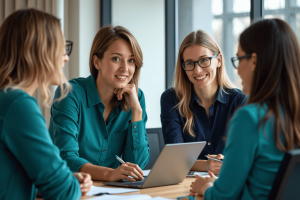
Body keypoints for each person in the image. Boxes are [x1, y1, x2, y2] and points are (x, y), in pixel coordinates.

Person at [190, 18, 300, 199]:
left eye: (239, 59)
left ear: (254, 61)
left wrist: (206, 187)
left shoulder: (250, 118)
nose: (238, 70)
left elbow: (224, 196)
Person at [0, 9, 92, 200]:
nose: (66, 57)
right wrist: (69, 182)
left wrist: (65, 179)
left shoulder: (6, 99)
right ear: (38, 50)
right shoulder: (18, 105)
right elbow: (63, 192)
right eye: (61, 48)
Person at [49, 25, 149, 182]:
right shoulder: (69, 93)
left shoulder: (136, 97)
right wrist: (109, 174)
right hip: (74, 188)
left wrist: (137, 112)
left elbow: (137, 166)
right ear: (97, 62)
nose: (125, 68)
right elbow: (66, 157)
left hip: (113, 192)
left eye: (131, 60)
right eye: (116, 58)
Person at [160, 30, 247, 174]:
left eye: (204, 60)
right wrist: (207, 165)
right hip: (185, 186)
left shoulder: (239, 101)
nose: (197, 70)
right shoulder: (171, 100)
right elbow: (175, 159)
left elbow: (244, 155)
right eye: (189, 63)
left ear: (218, 60)